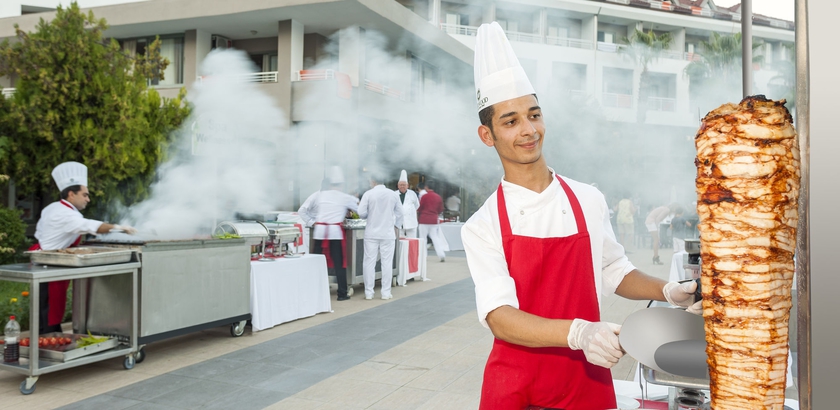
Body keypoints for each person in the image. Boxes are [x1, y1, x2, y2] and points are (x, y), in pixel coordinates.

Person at [462, 23, 702, 409]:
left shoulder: (587, 199)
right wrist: (579, 333)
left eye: (534, 115)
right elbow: (500, 317)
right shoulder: (482, 225)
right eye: (510, 121)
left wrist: (668, 290)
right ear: (486, 136)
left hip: (584, 382)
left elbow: (613, 270)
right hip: (515, 385)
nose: (529, 130)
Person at [33, 162, 138, 333]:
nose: (88, 199)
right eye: (85, 195)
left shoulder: (52, 208)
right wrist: (120, 228)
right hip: (50, 263)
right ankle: (49, 340)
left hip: (46, 261)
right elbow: (90, 226)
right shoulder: (66, 214)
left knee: (45, 307)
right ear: (71, 194)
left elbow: (40, 233)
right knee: (50, 308)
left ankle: (47, 337)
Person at [305, 166, 358, 301]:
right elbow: (360, 210)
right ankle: (342, 293)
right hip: (334, 233)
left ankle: (313, 291)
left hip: (320, 232)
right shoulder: (345, 197)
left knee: (316, 262)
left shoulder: (321, 195)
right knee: (339, 263)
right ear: (341, 185)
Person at [358, 174, 403, 300]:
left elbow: (361, 213)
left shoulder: (368, 194)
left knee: (369, 262)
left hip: (371, 232)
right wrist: (396, 226)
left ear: (373, 181)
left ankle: (369, 292)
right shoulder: (393, 194)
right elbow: (400, 213)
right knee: (387, 263)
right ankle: (386, 293)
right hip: (388, 233)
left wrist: (369, 214)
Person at [417, 180, 447, 263]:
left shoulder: (424, 196)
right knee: (435, 237)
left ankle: (423, 256)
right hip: (434, 219)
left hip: (424, 219)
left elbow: (420, 208)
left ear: (426, 187)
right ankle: (441, 254)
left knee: (423, 238)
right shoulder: (438, 197)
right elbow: (440, 209)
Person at [394, 170, 420, 238]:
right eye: (401, 185)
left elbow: (417, 205)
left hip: (411, 221)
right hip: (398, 222)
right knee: (399, 241)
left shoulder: (412, 194)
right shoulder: (394, 194)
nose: (402, 186)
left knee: (412, 240)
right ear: (398, 186)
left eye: (404, 185)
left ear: (407, 185)